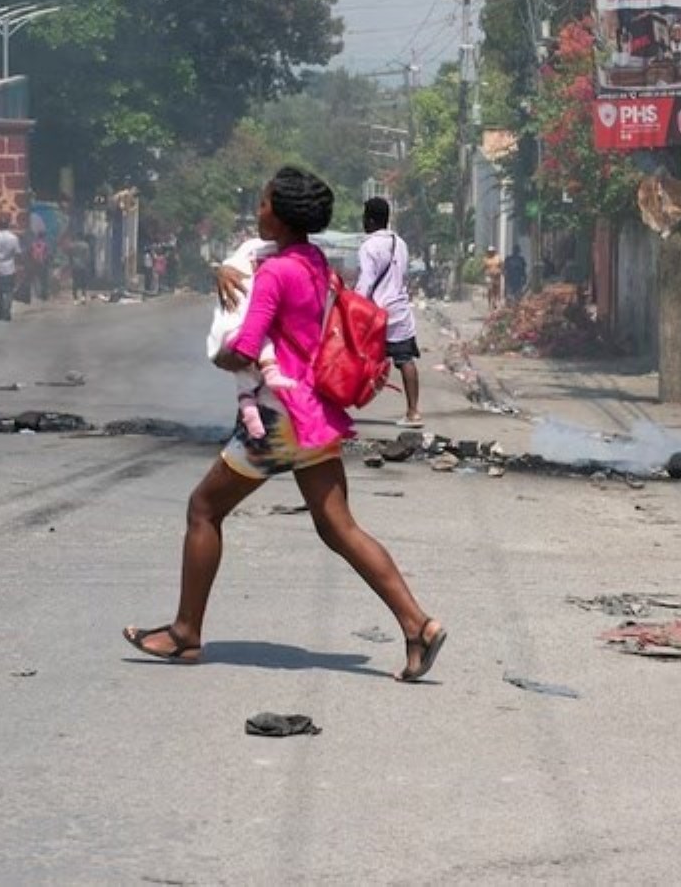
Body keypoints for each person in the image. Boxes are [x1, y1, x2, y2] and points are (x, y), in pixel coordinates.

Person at [122, 166, 447, 682]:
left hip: (277, 419)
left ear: (282, 213)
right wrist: (218, 271)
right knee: (338, 527)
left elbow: (246, 347)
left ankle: (186, 634)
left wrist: (221, 353)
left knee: (203, 509)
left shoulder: (275, 274)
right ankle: (418, 625)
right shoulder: (312, 261)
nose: (257, 211)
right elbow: (248, 260)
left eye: (263, 204)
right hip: (313, 412)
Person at [206, 237, 298, 443]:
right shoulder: (257, 253)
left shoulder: (296, 258)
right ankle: (249, 433)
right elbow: (233, 266)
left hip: (232, 341)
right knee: (256, 358)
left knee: (246, 383)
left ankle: (248, 426)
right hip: (250, 338)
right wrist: (222, 270)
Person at [357, 197, 423, 428]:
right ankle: (414, 412)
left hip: (376, 312)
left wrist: (354, 304)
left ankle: (338, 405)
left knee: (352, 356)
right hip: (400, 310)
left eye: (365, 217)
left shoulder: (368, 246)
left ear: (371, 220)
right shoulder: (400, 243)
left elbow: (366, 281)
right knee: (405, 359)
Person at [0, 215, 22, 322]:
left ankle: (0, 313)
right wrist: (20, 265)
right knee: (9, 291)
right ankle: (7, 312)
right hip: (9, 268)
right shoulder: (14, 238)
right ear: (8, 225)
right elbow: (18, 253)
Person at [483, 245, 504, 311]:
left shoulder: (498, 258)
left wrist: (501, 272)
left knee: (496, 289)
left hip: (497, 276)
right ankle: (490, 303)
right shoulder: (486, 259)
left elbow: (501, 266)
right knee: (490, 289)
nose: (491, 252)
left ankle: (495, 302)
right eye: (489, 251)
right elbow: (484, 267)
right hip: (489, 276)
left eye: (492, 251)